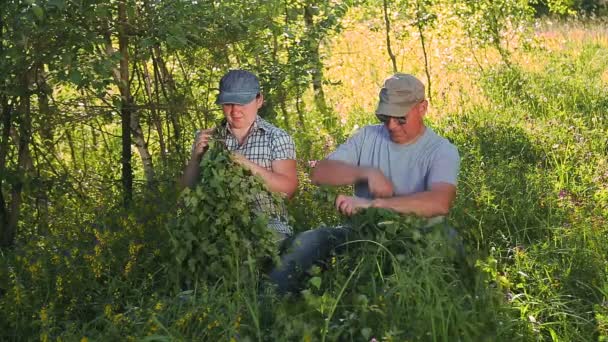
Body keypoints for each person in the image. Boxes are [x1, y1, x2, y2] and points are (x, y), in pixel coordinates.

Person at [269, 73, 461, 294]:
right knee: (309, 241)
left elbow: (439, 202)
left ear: (422, 108)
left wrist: (372, 204)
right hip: (361, 234)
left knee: (448, 239)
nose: (391, 126)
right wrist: (365, 172)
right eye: (385, 117)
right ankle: (268, 301)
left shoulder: (441, 151)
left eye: (400, 118)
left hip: (415, 237)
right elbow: (320, 173)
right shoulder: (368, 136)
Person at [180, 69, 298, 238]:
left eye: (242, 103)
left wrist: (246, 165)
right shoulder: (210, 139)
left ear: (259, 100)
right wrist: (195, 159)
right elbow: (186, 193)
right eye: (228, 104)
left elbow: (289, 190)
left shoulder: (276, 138)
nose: (235, 111)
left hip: (269, 228)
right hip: (218, 228)